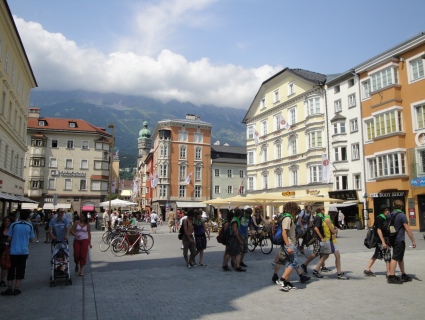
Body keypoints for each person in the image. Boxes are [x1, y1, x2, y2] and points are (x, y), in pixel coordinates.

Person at [274, 202, 310, 291]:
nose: (296, 215)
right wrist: (288, 246)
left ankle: (286, 282)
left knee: (289, 263)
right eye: (295, 213)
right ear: (292, 210)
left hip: (291, 244)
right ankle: (281, 280)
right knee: (294, 263)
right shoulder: (287, 218)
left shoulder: (288, 218)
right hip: (289, 244)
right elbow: (284, 233)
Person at [1, 210, 35, 296]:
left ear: (19, 216)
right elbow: (32, 239)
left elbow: (9, 238)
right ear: (28, 217)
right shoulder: (29, 226)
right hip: (24, 251)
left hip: (13, 251)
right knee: (21, 269)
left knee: (11, 269)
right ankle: (17, 288)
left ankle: (9, 288)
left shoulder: (14, 225)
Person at [315, 207, 349, 280]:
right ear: (333, 213)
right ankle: (339, 274)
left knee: (325, 256)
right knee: (337, 256)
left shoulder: (326, 218)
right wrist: (335, 230)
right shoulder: (328, 220)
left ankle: (316, 270)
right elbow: (333, 231)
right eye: (335, 213)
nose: (335, 215)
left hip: (329, 240)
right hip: (330, 241)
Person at [387, 200, 416, 284]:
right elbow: (407, 229)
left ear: (394, 205)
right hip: (399, 239)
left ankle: (403, 274)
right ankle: (391, 276)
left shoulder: (390, 214)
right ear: (402, 206)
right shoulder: (402, 215)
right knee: (395, 257)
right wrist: (413, 240)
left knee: (400, 256)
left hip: (392, 238)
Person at [364, 205, 392, 277]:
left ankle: (367, 269)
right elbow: (379, 230)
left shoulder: (383, 218)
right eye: (386, 210)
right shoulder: (380, 218)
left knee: (376, 254)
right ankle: (389, 273)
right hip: (382, 239)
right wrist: (383, 242)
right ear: (383, 211)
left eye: (388, 210)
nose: (388, 212)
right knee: (387, 255)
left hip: (383, 239)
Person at [300, 207, 326, 276]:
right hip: (317, 238)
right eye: (323, 209)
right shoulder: (319, 218)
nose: (324, 211)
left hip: (319, 237)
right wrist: (321, 237)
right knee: (316, 253)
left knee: (322, 252)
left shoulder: (319, 217)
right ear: (320, 210)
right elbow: (316, 228)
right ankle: (304, 264)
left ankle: (323, 267)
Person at [70, 212, 92, 276]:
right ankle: (76, 264)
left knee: (83, 255)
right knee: (76, 254)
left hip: (84, 240)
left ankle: (81, 270)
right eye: (80, 216)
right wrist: (75, 234)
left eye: (82, 216)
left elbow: (89, 233)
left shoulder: (87, 224)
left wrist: (89, 242)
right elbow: (71, 230)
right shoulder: (76, 222)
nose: (81, 217)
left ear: (85, 217)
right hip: (77, 240)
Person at [0, 216, 15, 287]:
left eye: (8, 221)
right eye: (6, 221)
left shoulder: (12, 230)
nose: (7, 222)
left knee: (5, 265)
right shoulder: (1, 230)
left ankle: (3, 280)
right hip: (0, 248)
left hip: (8, 249)